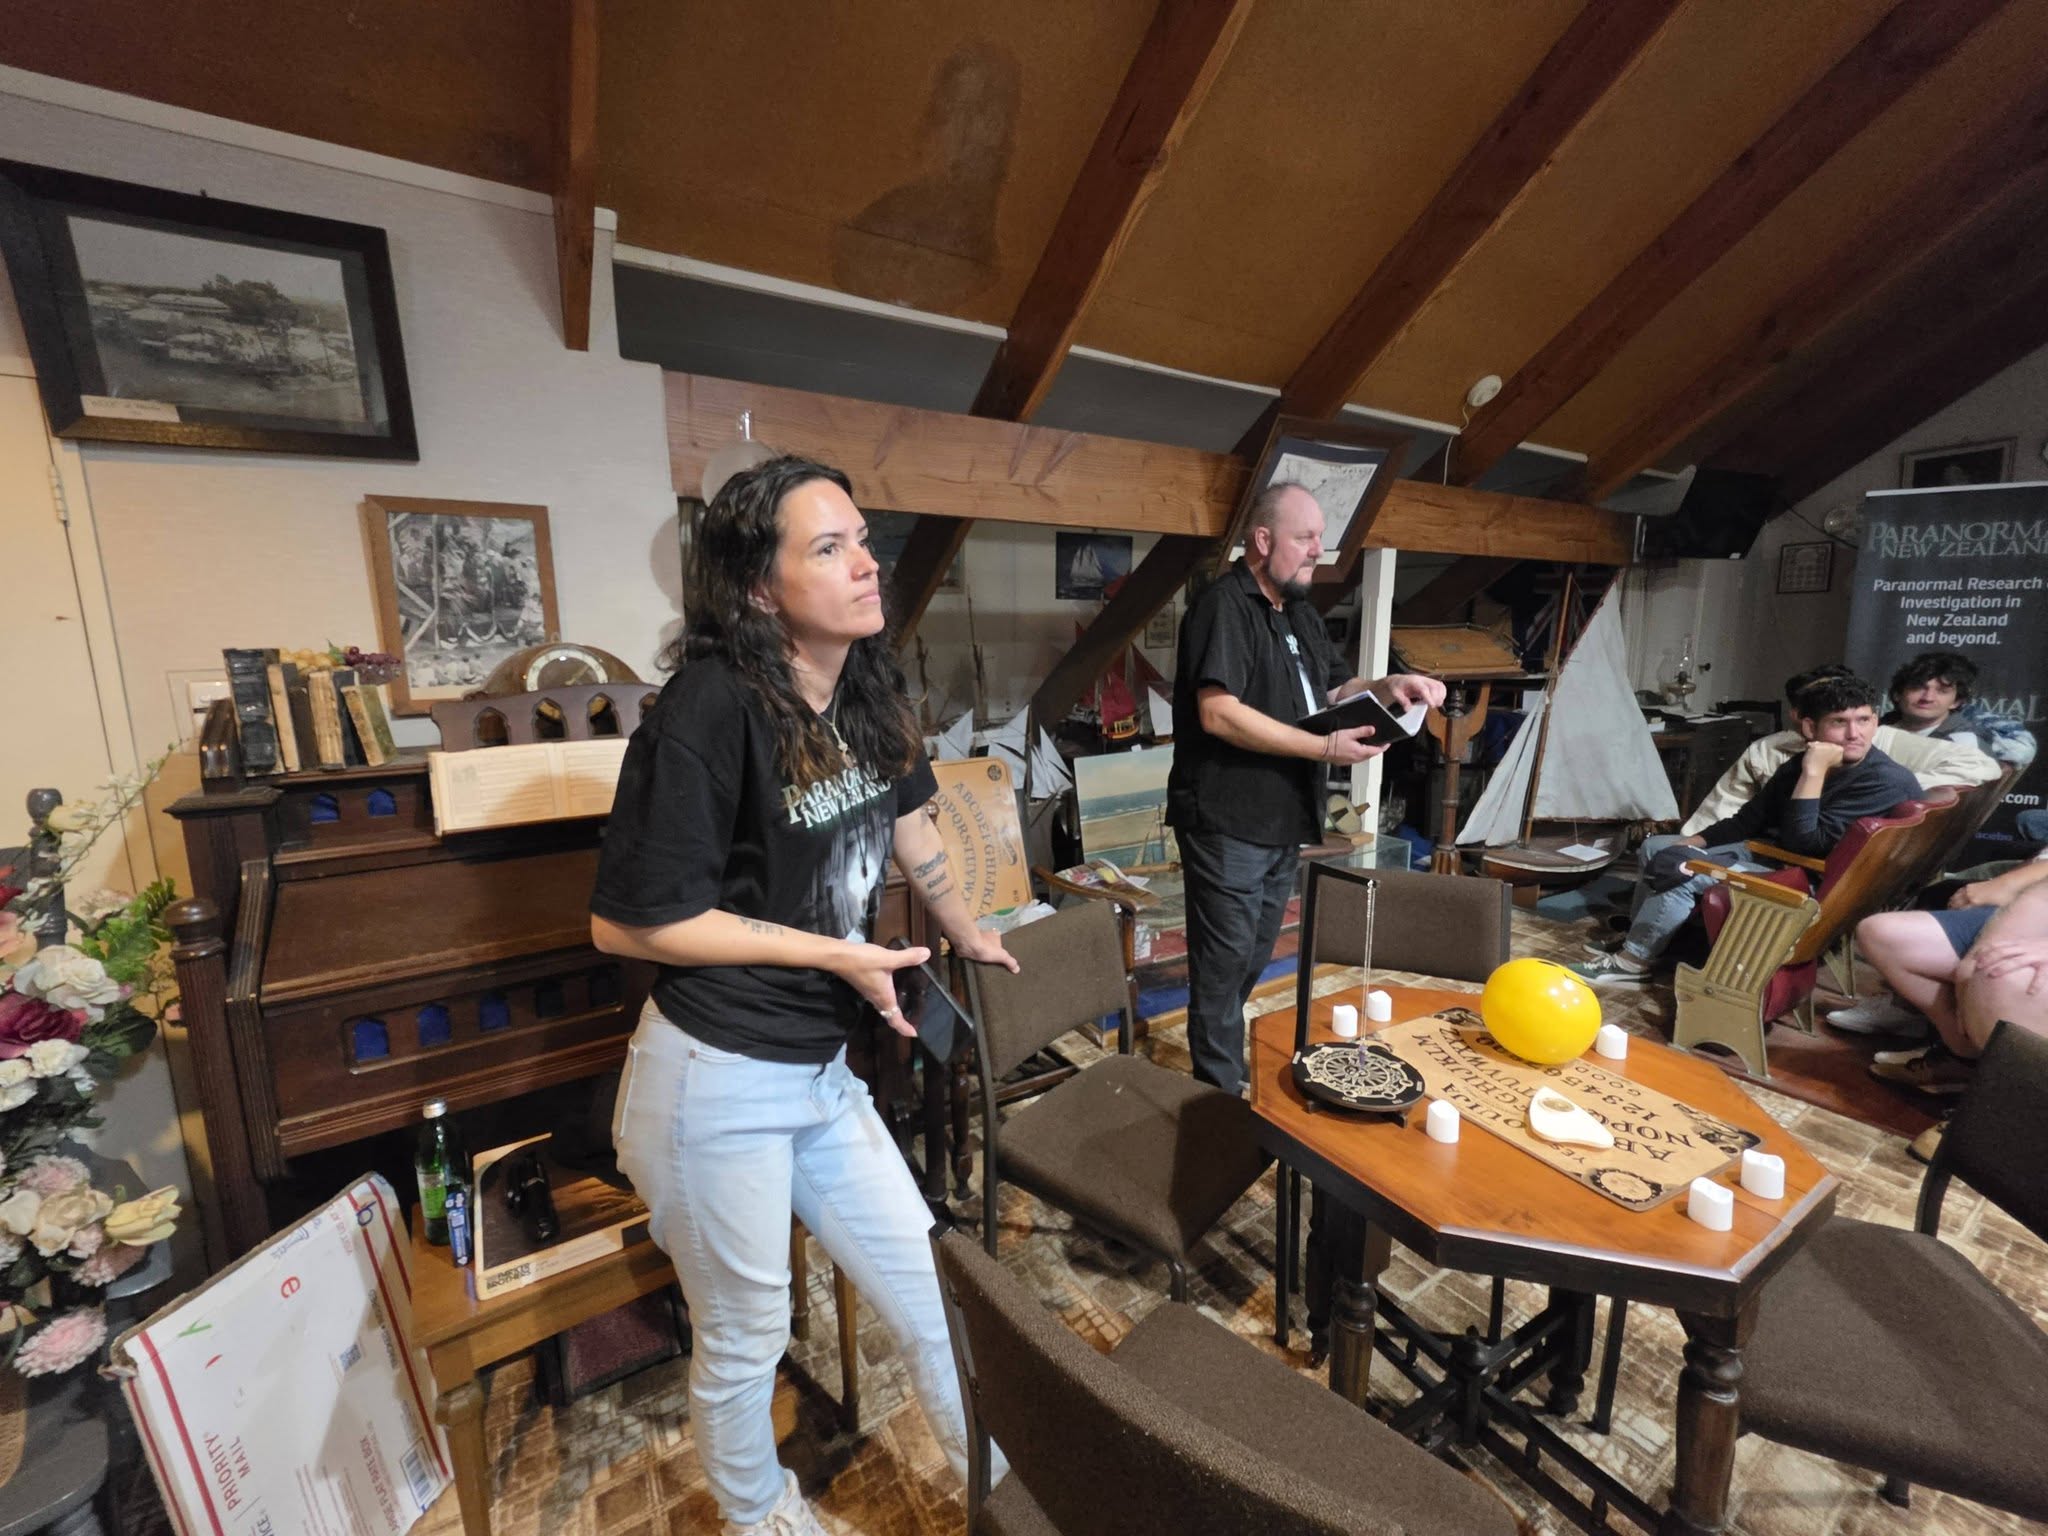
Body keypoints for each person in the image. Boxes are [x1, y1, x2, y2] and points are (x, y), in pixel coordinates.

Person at [589, 455, 1015, 1536]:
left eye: (862, 540)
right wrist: (834, 955)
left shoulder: (863, 686)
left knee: (929, 1292)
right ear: (757, 588)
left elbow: (907, 814)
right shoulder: (709, 708)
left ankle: (1009, 1497)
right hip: (713, 1080)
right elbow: (627, 922)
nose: (867, 564)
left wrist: (963, 921)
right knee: (747, 1336)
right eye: (828, 548)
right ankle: (761, 1516)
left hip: (819, 1073)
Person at [1165, 482, 1443, 1093]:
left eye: (1321, 537)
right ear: (1263, 541)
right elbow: (1217, 712)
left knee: (1250, 956)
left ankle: (1221, 1071)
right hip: (1226, 820)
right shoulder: (1223, 607)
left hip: (1282, 818)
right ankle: (1217, 1099)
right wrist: (1323, 749)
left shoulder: (1300, 612)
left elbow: (1337, 690)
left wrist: (1391, 686)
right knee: (1223, 965)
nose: (1320, 550)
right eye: (1306, 537)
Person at [1571, 672, 1919, 985]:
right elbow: (1749, 820)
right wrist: (1690, 841)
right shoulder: (1800, 764)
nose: (1855, 734)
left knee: (1683, 871)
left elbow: (1805, 843)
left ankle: (1633, 962)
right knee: (1658, 848)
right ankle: (1649, 939)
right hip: (1775, 856)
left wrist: (1813, 773)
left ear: (1876, 721)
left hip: (1808, 880)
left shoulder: (1882, 781)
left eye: (1864, 720)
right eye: (1839, 722)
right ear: (1810, 728)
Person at [1681, 662, 1997, 836]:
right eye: (1834, 716)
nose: (1853, 731)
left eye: (1859, 716)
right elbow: (1722, 812)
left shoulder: (1878, 740)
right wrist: (1692, 844)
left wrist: (1897, 790)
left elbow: (1983, 766)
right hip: (1757, 844)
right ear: (1802, 718)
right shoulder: (1768, 750)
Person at [1882, 650, 2036, 768]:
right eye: (1918, 688)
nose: (1928, 697)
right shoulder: (1877, 728)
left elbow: (2022, 751)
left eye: (1942, 691)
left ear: (1956, 702)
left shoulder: (1965, 740)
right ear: (1897, 694)